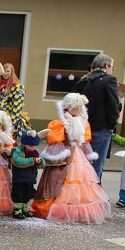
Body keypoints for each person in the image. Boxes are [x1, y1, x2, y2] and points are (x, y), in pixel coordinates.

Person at [30, 92, 111, 223]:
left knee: (82, 182)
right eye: (76, 107)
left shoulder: (83, 121)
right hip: (66, 154)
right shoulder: (61, 122)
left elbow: (84, 140)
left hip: (78, 154)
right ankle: (55, 208)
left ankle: (80, 211)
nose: (79, 110)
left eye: (80, 107)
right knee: (60, 180)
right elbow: (55, 140)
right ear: (68, 107)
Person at [75, 54, 120, 181]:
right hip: (101, 128)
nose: (112, 70)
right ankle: (93, 194)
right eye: (112, 67)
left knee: (81, 161)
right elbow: (113, 104)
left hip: (82, 128)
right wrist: (112, 125)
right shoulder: (109, 80)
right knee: (97, 164)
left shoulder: (83, 80)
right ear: (106, 66)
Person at [10, 130, 43, 218]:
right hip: (19, 178)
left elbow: (42, 163)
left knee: (27, 194)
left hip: (30, 178)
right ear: (24, 143)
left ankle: (25, 208)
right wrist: (32, 160)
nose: (33, 147)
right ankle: (17, 210)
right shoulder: (18, 151)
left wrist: (39, 162)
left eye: (35, 145)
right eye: (31, 145)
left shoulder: (35, 152)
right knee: (18, 194)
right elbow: (18, 161)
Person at [0, 63, 30, 137]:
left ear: (12, 72)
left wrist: (11, 124)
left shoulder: (18, 87)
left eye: (8, 71)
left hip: (9, 121)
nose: (5, 73)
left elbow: (17, 107)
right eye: (4, 71)